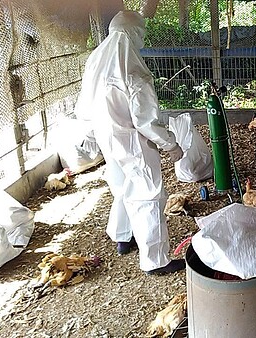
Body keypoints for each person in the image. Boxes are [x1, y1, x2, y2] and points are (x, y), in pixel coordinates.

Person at [75, 10, 185, 275]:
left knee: (123, 187)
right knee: (149, 194)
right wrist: (170, 144)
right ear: (133, 32)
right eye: (142, 32)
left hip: (105, 134)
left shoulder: (97, 56)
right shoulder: (132, 66)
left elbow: (84, 104)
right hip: (131, 139)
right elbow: (145, 120)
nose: (143, 38)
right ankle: (156, 260)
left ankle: (123, 236)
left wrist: (91, 136)